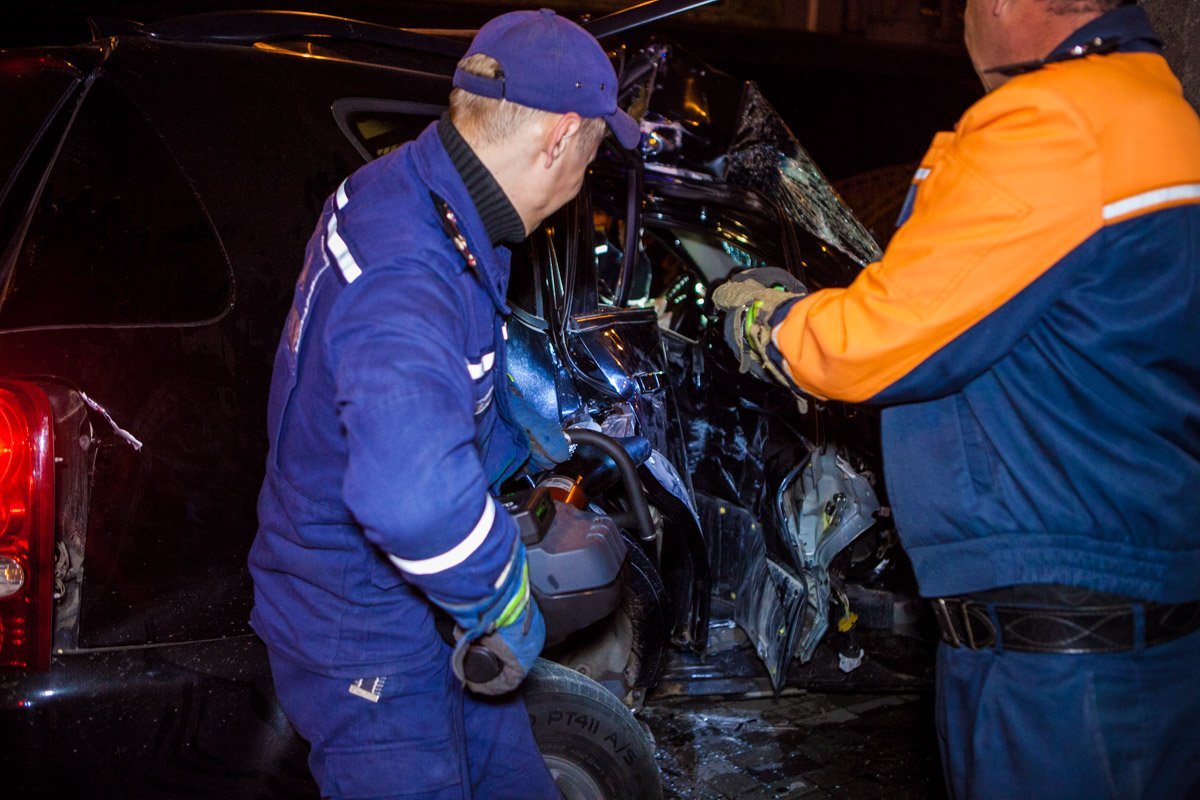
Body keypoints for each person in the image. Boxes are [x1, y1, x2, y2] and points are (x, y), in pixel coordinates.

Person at [713, 1, 1200, 798]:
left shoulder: (1050, 121)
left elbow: (874, 342)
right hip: (1140, 623)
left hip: (1058, 667)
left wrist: (763, 320)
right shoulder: (1162, 115)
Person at [247, 10, 640, 799]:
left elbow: (434, 389)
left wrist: (512, 462)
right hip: (363, 635)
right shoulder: (410, 266)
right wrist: (503, 596)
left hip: (421, 609)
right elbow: (411, 498)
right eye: (594, 156)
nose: (581, 184)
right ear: (560, 137)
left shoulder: (427, 193)